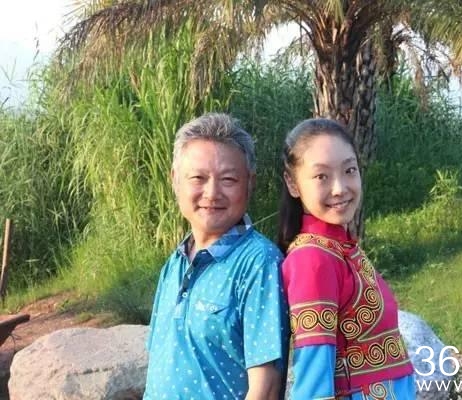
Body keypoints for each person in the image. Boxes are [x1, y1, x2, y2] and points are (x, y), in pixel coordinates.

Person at [144, 113, 289, 400]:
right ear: (175, 180)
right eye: (198, 178)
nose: (212, 193)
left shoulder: (259, 264)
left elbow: (266, 388)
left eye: (228, 179)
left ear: (249, 183)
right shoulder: (174, 264)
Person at [278, 118, 415, 399]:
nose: (340, 188)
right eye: (322, 176)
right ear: (292, 183)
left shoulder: (341, 247)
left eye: (349, 170)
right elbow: (313, 382)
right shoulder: (312, 259)